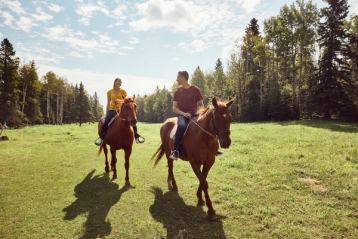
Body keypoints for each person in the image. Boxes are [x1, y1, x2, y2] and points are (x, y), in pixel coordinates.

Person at [95, 78, 144, 146]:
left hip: (122, 110)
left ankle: (136, 135)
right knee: (106, 121)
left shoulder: (123, 91)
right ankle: (102, 137)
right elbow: (108, 103)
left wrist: (120, 101)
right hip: (112, 110)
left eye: (120, 82)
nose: (119, 83)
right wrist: (107, 112)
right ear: (115, 82)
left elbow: (126, 100)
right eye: (118, 82)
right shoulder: (109, 92)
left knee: (132, 119)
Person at [169, 71, 204, 160]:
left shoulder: (195, 89)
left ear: (183, 78)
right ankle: (175, 151)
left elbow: (201, 104)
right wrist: (184, 114)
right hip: (183, 116)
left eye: (178, 77)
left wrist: (198, 113)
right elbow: (174, 108)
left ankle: (215, 149)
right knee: (181, 126)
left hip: (195, 115)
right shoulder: (177, 91)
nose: (176, 79)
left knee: (208, 123)